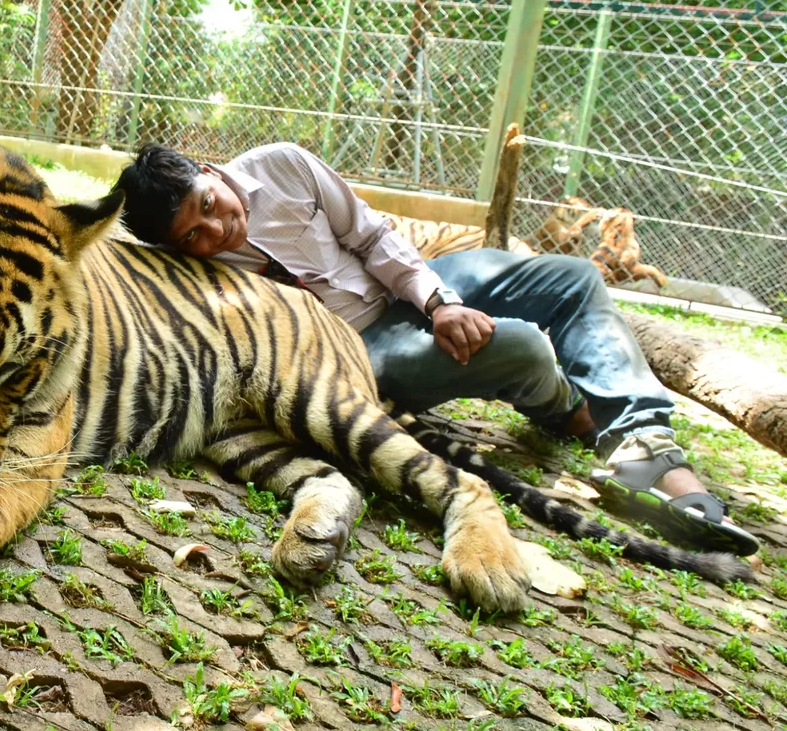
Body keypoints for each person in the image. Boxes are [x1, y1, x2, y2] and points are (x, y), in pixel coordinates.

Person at [114, 141, 758, 556]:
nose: (217, 230)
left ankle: (641, 446)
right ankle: (574, 415)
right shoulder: (196, 267)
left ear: (207, 170)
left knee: (574, 278)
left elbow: (371, 237)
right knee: (526, 349)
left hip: (407, 283)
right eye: (193, 235)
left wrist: (440, 301)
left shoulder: (281, 165)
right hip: (357, 349)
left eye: (209, 205)